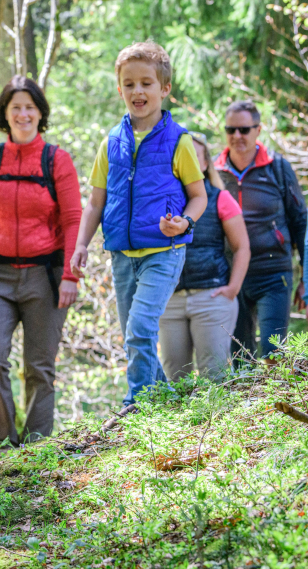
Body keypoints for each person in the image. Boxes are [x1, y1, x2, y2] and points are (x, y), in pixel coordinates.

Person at [71, 41, 208, 407]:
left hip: (164, 252)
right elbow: (96, 201)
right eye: (129, 84)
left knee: (140, 328)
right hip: (121, 255)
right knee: (135, 333)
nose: (138, 91)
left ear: (164, 89)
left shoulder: (179, 142)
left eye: (147, 83)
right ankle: (168, 399)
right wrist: (82, 243)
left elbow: (199, 196)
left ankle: (137, 404)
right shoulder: (111, 143)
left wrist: (185, 222)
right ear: (120, 90)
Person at [0, 75, 82, 448]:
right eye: (16, 108)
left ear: (40, 113)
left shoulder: (56, 159)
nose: (23, 114)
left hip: (47, 275)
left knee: (39, 367)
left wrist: (71, 276)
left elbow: (73, 219)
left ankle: (38, 447)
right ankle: (2, 444)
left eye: (30, 107)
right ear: (5, 115)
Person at [213, 100, 307, 362]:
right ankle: (249, 404)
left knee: (273, 351)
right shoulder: (214, 171)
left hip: (274, 274)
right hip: (230, 276)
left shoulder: (278, 168)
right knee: (240, 357)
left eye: (244, 130)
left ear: (258, 129)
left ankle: (281, 403)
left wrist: (305, 279)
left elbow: (301, 222)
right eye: (230, 130)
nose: (237, 136)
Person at [158, 132, 250, 381]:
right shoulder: (159, 200)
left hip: (212, 297)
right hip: (169, 302)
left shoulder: (221, 198)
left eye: (193, 156)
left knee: (215, 377)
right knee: (175, 380)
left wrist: (232, 289)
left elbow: (242, 246)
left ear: (206, 163)